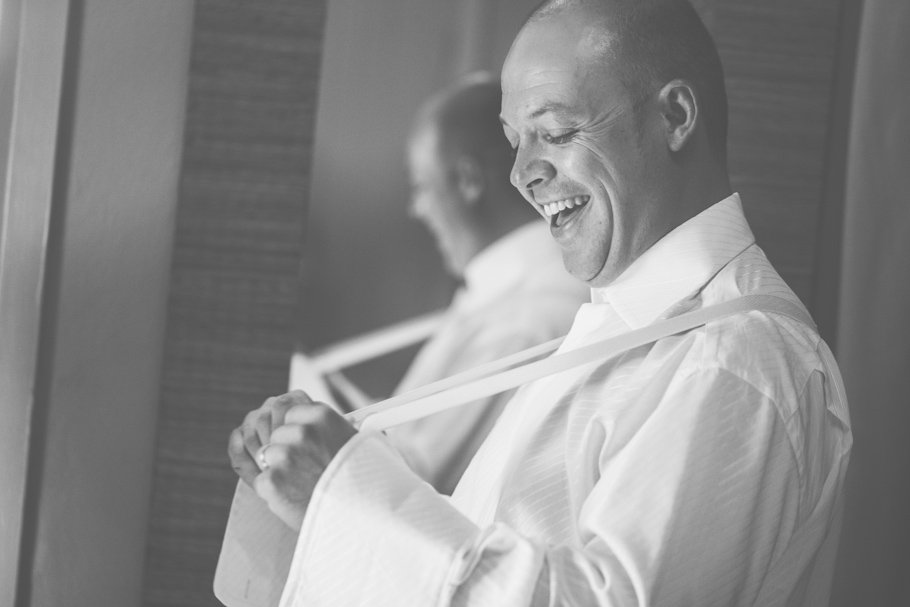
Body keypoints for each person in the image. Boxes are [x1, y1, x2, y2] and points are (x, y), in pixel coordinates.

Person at [221, 1, 852, 605]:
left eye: (554, 132)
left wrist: (348, 489)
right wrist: (316, 483)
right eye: (515, 141)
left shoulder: (731, 364)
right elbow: (490, 538)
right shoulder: (627, 326)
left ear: (675, 116)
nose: (522, 173)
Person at [386, 75, 588, 494]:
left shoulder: (526, 322)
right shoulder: (502, 297)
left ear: (468, 181)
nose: (416, 209)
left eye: (422, 186)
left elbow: (404, 485)